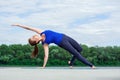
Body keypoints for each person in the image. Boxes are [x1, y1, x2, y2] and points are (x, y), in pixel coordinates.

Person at [12, 24, 96, 69]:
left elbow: (29, 28)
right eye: (33, 38)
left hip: (64, 36)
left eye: (33, 36)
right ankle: (91, 65)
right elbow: (46, 56)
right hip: (62, 42)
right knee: (76, 54)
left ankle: (71, 62)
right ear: (36, 41)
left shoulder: (41, 32)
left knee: (79, 49)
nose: (34, 36)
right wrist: (43, 66)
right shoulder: (45, 43)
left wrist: (18, 25)